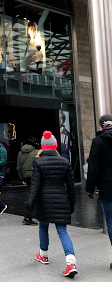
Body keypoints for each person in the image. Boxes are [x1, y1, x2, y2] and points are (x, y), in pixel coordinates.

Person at [26, 131, 77, 278]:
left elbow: (34, 186)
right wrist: (71, 203)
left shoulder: (38, 162)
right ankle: (71, 262)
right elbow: (71, 186)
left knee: (43, 226)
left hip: (44, 201)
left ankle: (43, 255)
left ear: (42, 146)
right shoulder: (65, 162)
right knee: (62, 231)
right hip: (62, 200)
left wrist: (29, 205)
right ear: (55, 145)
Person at [85, 113, 112, 269]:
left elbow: (93, 166)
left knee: (110, 221)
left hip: (107, 187)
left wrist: (90, 187)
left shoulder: (98, 141)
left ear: (102, 125)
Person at [17, 137, 41, 225]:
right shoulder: (37, 152)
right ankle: (29, 216)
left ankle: (30, 216)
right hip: (35, 176)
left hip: (26, 177)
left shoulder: (20, 153)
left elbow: (19, 167)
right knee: (35, 196)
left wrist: (22, 178)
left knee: (32, 195)